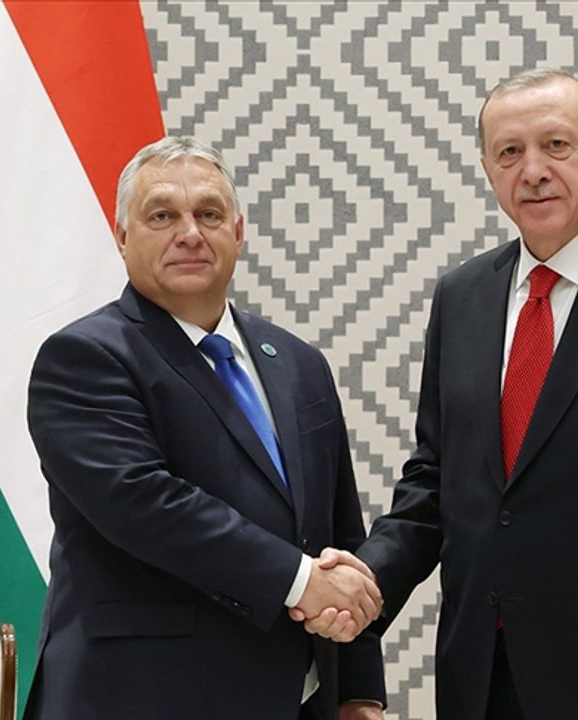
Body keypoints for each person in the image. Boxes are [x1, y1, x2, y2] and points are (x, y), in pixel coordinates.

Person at [302, 69, 578, 719]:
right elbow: (435, 482)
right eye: (510, 152)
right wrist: (367, 581)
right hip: (479, 676)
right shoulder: (462, 298)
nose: (534, 171)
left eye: (556, 145)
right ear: (488, 170)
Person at [24, 136, 386, 720]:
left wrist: (359, 691)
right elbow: (146, 504)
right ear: (122, 237)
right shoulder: (85, 358)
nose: (189, 233)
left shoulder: (299, 363)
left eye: (209, 214)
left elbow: (338, 531)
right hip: (141, 700)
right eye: (162, 216)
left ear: (238, 232)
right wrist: (301, 581)